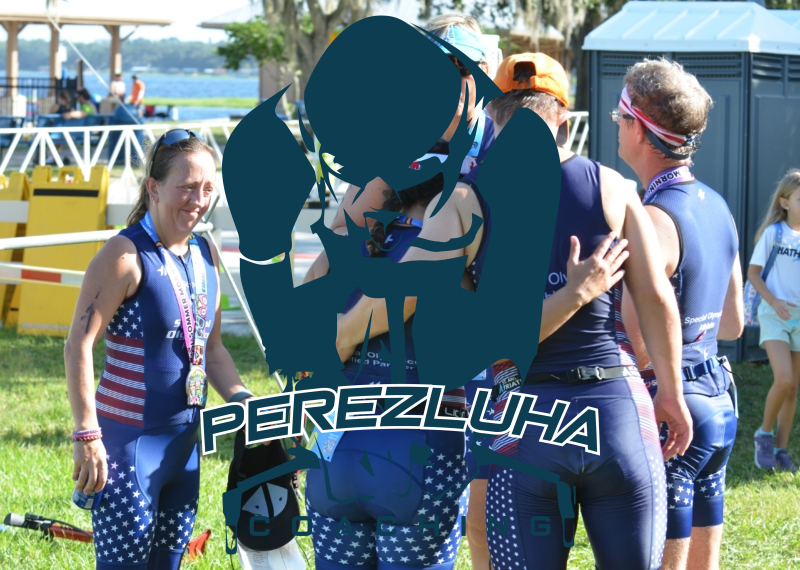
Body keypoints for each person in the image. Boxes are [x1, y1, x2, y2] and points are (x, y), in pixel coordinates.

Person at [483, 53, 692, 570]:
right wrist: (670, 391)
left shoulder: (468, 199)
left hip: (524, 415)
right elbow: (656, 297)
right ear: (562, 115)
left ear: (492, 113)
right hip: (615, 410)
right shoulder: (613, 187)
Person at [64, 129, 256, 570]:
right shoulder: (125, 254)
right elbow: (78, 345)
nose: (198, 200)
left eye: (207, 188)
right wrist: (87, 434)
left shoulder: (205, 253)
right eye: (186, 187)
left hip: (184, 448)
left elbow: (212, 350)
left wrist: (244, 400)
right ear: (153, 187)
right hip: (127, 449)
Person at [617, 58, 743, 570]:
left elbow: (637, 342)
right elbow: (732, 323)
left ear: (640, 130)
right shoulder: (716, 205)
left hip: (672, 413)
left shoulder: (652, 219)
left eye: (620, 116)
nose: (615, 124)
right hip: (718, 401)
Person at [750, 168, 800, 473]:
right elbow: (753, 274)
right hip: (774, 314)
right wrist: (774, 301)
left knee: (793, 389)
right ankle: (764, 435)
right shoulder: (774, 234)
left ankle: (782, 450)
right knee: (784, 380)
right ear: (785, 202)